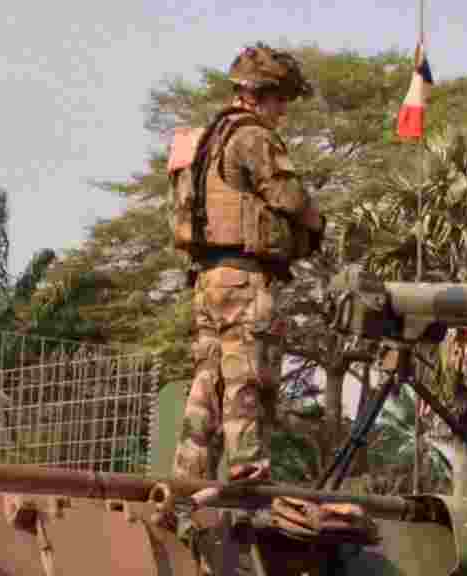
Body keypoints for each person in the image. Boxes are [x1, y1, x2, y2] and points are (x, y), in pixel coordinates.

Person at [163, 42, 328, 568]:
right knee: (247, 375)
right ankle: (248, 478)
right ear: (264, 96)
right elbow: (287, 198)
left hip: (207, 278)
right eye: (282, 101)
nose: (284, 112)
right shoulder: (253, 137)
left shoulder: (208, 139)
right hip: (245, 278)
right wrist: (316, 224)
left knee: (206, 381)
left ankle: (185, 480)